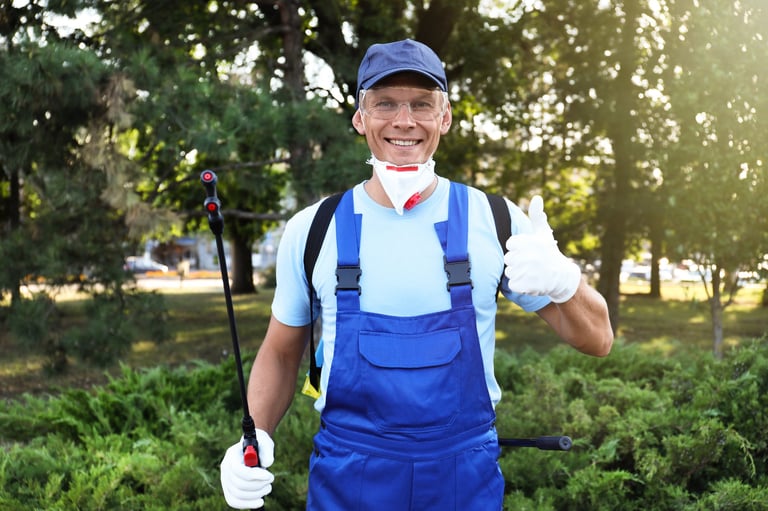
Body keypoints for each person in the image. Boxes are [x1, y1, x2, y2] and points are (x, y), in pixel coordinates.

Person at [220, 38, 613, 510]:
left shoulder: (496, 221)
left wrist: (565, 281)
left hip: (462, 482)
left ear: (444, 118)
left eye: (422, 104)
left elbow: (599, 340)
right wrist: (254, 437)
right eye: (385, 102)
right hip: (349, 481)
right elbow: (282, 356)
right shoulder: (312, 229)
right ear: (360, 117)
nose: (404, 121)